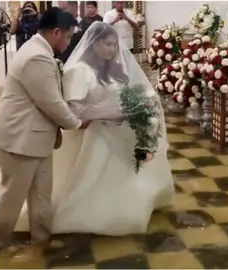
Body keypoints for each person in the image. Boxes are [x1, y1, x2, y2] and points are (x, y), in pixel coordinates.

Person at [51, 22, 175, 236]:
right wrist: (114, 113)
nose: (113, 49)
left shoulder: (111, 67)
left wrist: (140, 103)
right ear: (94, 44)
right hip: (94, 134)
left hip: (117, 130)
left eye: (115, 45)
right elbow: (76, 111)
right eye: (108, 44)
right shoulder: (79, 70)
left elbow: (123, 92)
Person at [0, 7, 88, 249]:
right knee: (12, 197)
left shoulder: (39, 50)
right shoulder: (37, 57)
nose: (69, 40)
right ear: (56, 32)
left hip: (36, 139)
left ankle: (40, 241)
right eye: (69, 35)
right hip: (18, 139)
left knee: (41, 195)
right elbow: (50, 102)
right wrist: (77, 122)